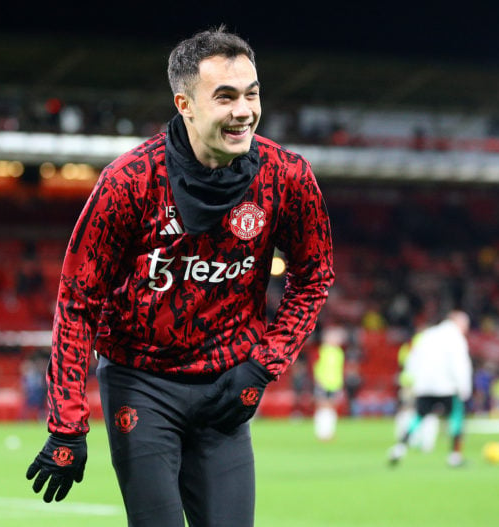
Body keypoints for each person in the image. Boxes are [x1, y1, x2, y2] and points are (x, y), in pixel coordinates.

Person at [25, 26, 335, 527]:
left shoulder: (288, 176)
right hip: (141, 384)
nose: (244, 111)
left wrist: (261, 367)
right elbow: (77, 300)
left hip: (228, 386)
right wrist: (67, 426)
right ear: (185, 104)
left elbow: (315, 274)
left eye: (252, 94)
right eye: (226, 96)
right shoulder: (129, 182)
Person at [387, 310, 472, 467]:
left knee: (419, 416)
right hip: (448, 386)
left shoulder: (428, 335)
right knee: (455, 418)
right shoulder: (456, 338)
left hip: (424, 385)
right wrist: (464, 387)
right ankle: (455, 456)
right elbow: (459, 364)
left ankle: (399, 448)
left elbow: (413, 359)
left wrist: (415, 381)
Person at [312, 326, 345, 441]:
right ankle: (321, 432)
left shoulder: (339, 353)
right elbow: (315, 366)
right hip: (323, 383)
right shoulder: (322, 351)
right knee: (322, 406)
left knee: (331, 408)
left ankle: (329, 432)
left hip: (334, 384)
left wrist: (340, 384)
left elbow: (338, 370)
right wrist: (318, 380)